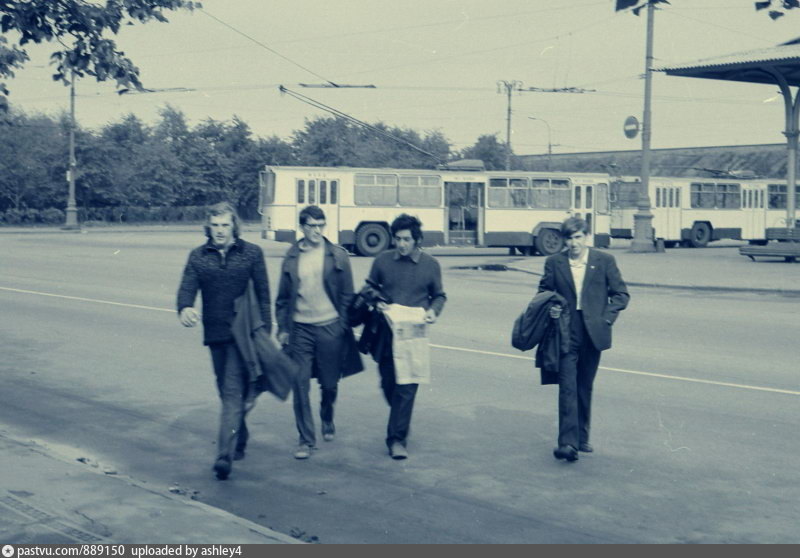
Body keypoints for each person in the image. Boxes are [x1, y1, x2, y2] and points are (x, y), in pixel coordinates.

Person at [176, 201, 271, 480]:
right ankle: (239, 435)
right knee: (225, 390)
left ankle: (224, 456)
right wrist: (185, 307)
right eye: (215, 225)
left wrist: (265, 333)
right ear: (208, 227)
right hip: (215, 334)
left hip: (243, 334)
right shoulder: (198, 256)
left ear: (234, 226)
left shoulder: (252, 253)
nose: (220, 230)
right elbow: (187, 288)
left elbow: (264, 295)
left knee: (230, 392)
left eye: (225, 225)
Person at [537, 216, 629, 462]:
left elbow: (621, 295)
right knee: (567, 386)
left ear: (587, 237)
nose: (573, 243)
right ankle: (567, 443)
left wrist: (605, 319)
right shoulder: (554, 262)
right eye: (569, 238)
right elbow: (544, 292)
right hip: (565, 331)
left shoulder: (604, 261)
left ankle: (581, 437)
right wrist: (552, 307)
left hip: (593, 332)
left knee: (583, 386)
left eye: (578, 237)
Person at [275, 205, 362, 460]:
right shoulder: (292, 256)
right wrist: (283, 328)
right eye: (311, 225)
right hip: (300, 328)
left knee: (330, 383)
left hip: (330, 327)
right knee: (299, 383)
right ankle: (305, 440)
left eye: (320, 225)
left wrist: (341, 325)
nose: (317, 230)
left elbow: (347, 294)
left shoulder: (337, 255)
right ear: (302, 227)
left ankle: (327, 414)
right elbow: (282, 298)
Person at [367, 214, 446, 460]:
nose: (401, 244)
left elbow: (439, 296)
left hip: (414, 335)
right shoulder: (382, 261)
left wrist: (433, 311)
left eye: (407, 240)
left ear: (417, 240)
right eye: (398, 239)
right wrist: (377, 300)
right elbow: (370, 287)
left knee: (407, 386)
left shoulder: (430, 265)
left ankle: (396, 439)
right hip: (387, 333)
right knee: (389, 383)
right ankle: (400, 417)